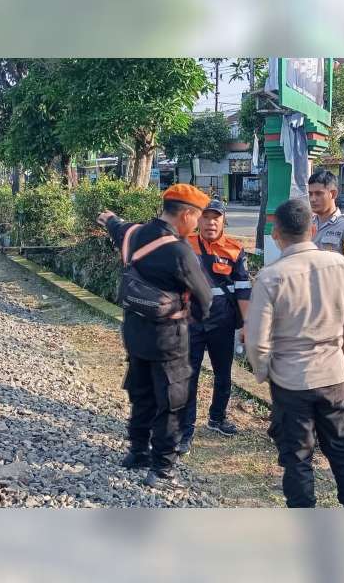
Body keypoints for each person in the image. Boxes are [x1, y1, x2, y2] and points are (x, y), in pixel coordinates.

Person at [245, 198, 344, 508]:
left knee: (297, 456)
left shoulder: (271, 277)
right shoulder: (340, 266)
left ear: (275, 233)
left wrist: (263, 371)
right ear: (312, 228)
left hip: (291, 380)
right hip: (334, 374)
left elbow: (257, 341)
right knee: (341, 447)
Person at [96, 184, 213, 491]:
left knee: (142, 393)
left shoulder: (133, 234)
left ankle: (137, 452)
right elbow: (205, 299)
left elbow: (115, 226)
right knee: (172, 403)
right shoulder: (179, 251)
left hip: (134, 333)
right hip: (169, 340)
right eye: (197, 218)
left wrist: (109, 219)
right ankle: (162, 471)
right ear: (186, 214)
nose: (198, 224)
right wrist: (192, 319)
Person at [178, 199, 251, 455]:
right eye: (206, 217)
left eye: (215, 217)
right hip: (191, 322)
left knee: (223, 374)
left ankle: (217, 418)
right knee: (189, 376)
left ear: (223, 220)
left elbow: (243, 289)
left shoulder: (235, 249)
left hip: (223, 322)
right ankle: (185, 431)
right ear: (197, 220)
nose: (210, 222)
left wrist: (246, 326)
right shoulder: (184, 245)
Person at [308, 169, 344, 288]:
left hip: (334, 296)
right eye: (310, 194)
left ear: (333, 194)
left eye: (318, 193)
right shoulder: (306, 224)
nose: (313, 199)